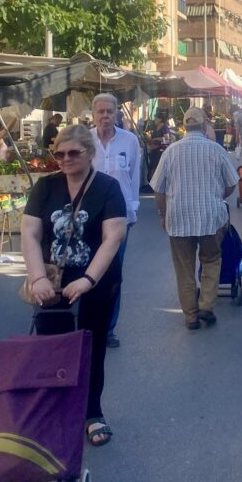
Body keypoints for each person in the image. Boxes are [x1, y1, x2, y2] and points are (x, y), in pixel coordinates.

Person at [21, 125, 126, 447]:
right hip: (51, 281)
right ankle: (57, 410)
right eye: (59, 153)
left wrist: (88, 279)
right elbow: (30, 233)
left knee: (91, 348)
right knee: (51, 349)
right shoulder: (45, 186)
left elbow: (113, 237)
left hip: (96, 280)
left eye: (73, 153)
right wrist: (37, 276)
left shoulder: (107, 188)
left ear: (89, 153)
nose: (65, 159)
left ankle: (92, 413)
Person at [151, 107, 238, 330]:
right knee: (211, 260)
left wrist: (163, 214)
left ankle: (190, 315)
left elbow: (158, 189)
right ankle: (206, 306)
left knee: (184, 267)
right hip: (211, 217)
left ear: (184, 126)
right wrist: (217, 196)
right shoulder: (216, 150)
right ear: (203, 125)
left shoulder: (171, 151)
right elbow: (231, 183)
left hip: (178, 217)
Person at [90, 93, 140, 349]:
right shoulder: (85, 141)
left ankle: (108, 328)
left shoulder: (130, 141)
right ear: (93, 114)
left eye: (110, 111)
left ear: (117, 113)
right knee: (87, 270)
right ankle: (88, 326)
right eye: (101, 111)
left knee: (113, 274)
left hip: (119, 219)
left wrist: (132, 210)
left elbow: (134, 177)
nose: (105, 116)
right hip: (88, 218)